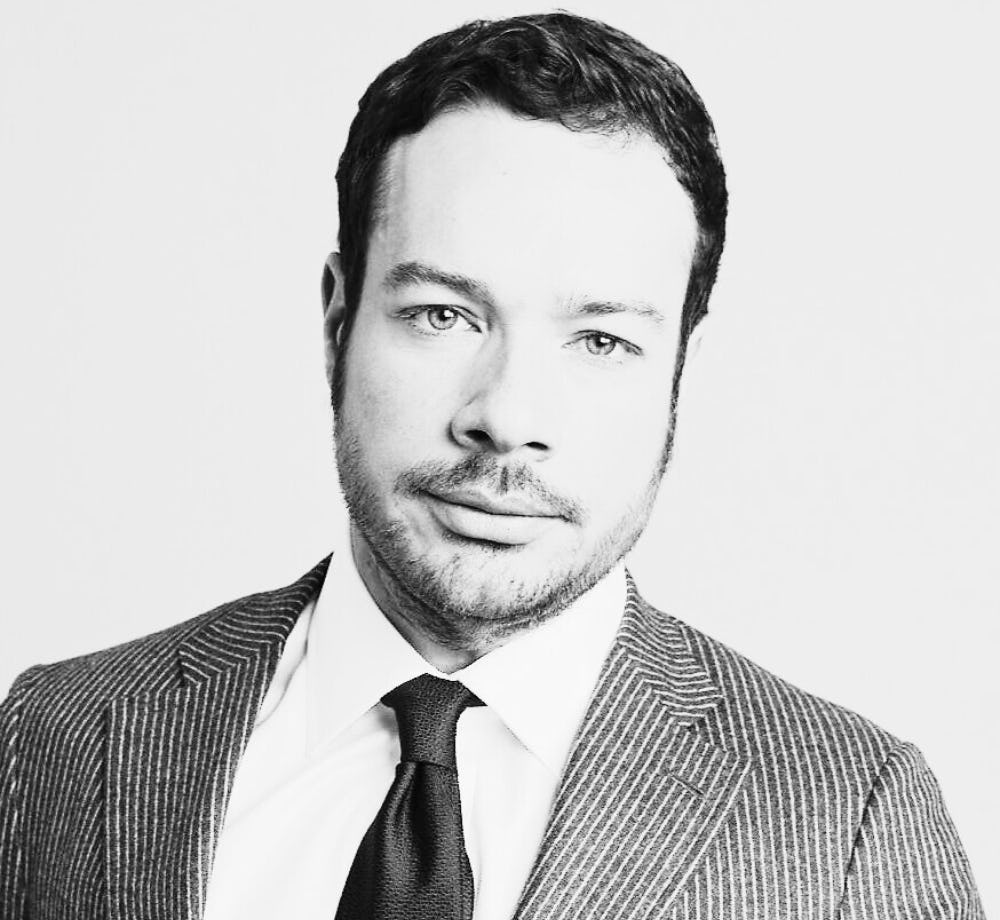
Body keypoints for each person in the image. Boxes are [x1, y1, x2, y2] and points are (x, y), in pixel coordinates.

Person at [0, 12, 983, 920]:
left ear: (679, 369)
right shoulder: (54, 738)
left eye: (601, 341)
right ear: (338, 320)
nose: (506, 418)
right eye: (443, 315)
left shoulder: (851, 825)